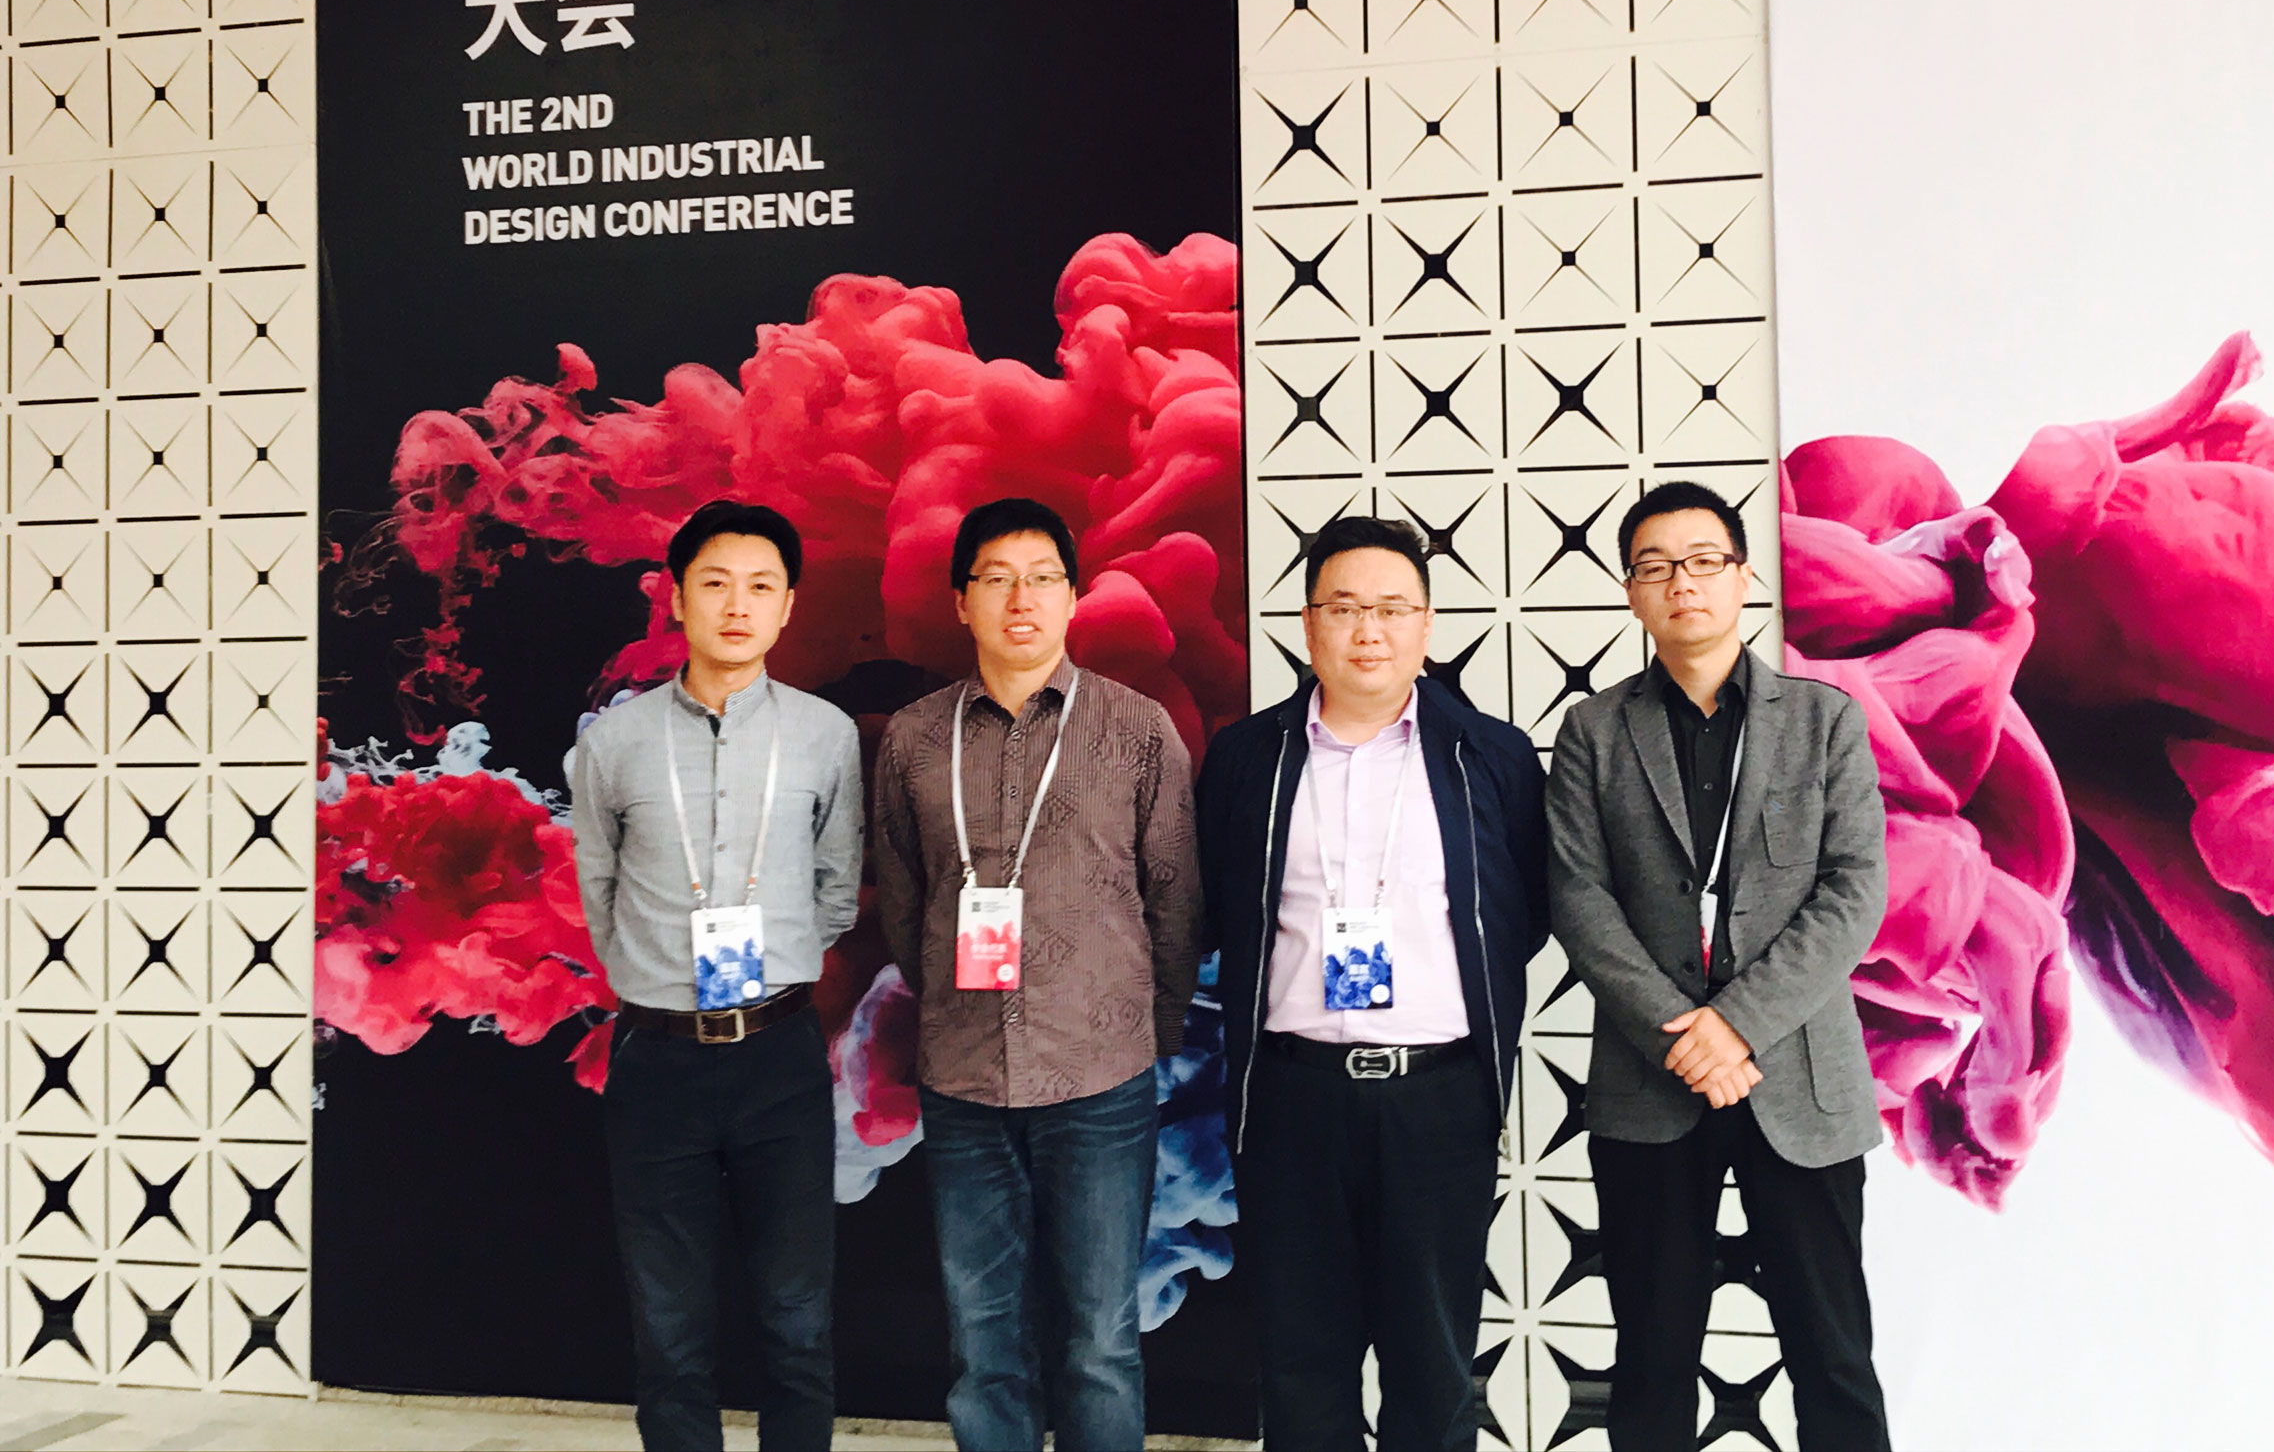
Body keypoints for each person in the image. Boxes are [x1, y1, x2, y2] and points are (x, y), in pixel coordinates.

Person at [1545, 481, 1890, 1451]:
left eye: (1703, 561)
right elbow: (1578, 897)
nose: (1682, 583)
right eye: (1655, 566)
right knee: (1651, 1361)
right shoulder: (1593, 731)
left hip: (1799, 1080)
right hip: (1649, 1083)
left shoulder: (1825, 721)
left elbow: (1854, 890)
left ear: (1743, 577)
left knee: (1832, 1355)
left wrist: (1734, 1026)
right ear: (1631, 592)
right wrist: (1683, 1036)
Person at [1196, 514, 1547, 1452]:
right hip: (1291, 1098)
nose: (1369, 630)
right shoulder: (1247, 757)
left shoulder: (1492, 755)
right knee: (1301, 1367)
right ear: (1308, 624)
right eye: (1345, 607)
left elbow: (1525, 913)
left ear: (1427, 623)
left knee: (1433, 1370)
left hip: (1437, 1099)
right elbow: (1217, 908)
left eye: (1393, 608)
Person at [871, 497, 1201, 1452]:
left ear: (1073, 595)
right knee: (984, 1344)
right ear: (962, 599)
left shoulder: (1136, 730)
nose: (1022, 599)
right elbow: (904, 898)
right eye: (998, 579)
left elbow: (1176, 900)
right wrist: (950, 1009)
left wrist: (1146, 1037)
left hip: (1101, 1082)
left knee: (1100, 1341)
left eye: (1043, 578)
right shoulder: (914, 739)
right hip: (965, 1083)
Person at [570, 500, 865, 1452]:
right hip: (657, 1059)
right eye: (716, 583)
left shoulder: (824, 734)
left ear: (787, 606)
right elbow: (599, 887)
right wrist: (650, 975)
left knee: (798, 1317)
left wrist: (780, 964)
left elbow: (836, 886)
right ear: (677, 597)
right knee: (669, 1327)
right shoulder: (613, 742)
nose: (738, 605)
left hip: (779, 1053)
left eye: (760, 586)